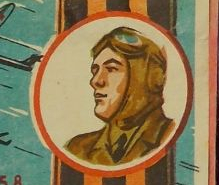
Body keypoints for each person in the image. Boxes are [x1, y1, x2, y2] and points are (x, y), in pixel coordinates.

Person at [64, 25, 175, 167]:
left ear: (151, 78)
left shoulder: (170, 136)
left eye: (111, 69)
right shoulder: (77, 148)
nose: (96, 81)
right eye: (95, 70)